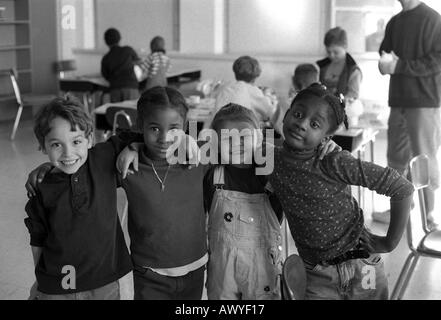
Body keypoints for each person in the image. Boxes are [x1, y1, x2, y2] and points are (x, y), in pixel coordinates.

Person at [268, 83, 414, 300]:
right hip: (317, 274)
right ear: (286, 114)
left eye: (315, 124)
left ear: (326, 137)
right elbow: (226, 144)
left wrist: (389, 242)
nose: (301, 124)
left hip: (363, 266)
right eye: (297, 114)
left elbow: (402, 187)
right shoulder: (270, 158)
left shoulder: (332, 160)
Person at [24, 97, 133, 300]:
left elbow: (142, 133)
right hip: (58, 287)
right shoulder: (41, 187)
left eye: (76, 142)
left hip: (105, 282)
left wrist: (132, 148)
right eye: (56, 144)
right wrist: (42, 281)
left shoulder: (104, 157)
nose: (68, 153)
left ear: (90, 139)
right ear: (43, 146)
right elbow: (37, 239)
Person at [116, 86, 208, 300]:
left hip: (195, 269)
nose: (165, 138)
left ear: (184, 127)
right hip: (149, 273)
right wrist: (131, 146)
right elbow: (85, 161)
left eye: (174, 128)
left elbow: (246, 147)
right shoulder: (128, 166)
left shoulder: (198, 156)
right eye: (155, 128)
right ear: (141, 126)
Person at [203, 104, 284, 300]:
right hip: (221, 269)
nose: (236, 144)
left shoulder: (272, 174)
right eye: (227, 139)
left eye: (244, 137)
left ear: (259, 139)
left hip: (262, 266)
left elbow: (303, 160)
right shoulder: (212, 174)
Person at [376, 0, 441, 229]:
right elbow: (385, 52)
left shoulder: (433, 19)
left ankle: (429, 217)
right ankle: (400, 210)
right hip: (398, 100)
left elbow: (438, 60)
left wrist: (400, 66)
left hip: (424, 101)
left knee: (424, 158)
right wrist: (384, 64)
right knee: (395, 159)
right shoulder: (395, 22)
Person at [212, 56, 278, 130]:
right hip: (244, 136)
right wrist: (270, 98)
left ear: (235, 72)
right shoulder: (254, 91)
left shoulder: (225, 89)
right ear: (256, 76)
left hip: (219, 134)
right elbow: (272, 115)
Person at [317, 27, 362, 102]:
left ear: (345, 47)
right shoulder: (320, 67)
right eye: (328, 52)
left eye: (336, 52)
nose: (331, 55)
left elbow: (353, 96)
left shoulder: (353, 71)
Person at [101, 28, 140, 102]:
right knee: (132, 112)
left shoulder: (106, 58)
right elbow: (139, 63)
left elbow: (105, 75)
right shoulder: (128, 50)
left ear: (106, 42)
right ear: (119, 39)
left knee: (117, 112)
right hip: (131, 87)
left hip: (115, 88)